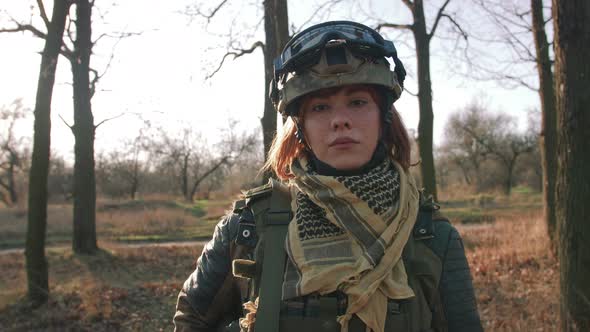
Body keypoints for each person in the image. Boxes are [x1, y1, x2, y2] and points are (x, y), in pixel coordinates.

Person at [173, 21, 482, 332]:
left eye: (358, 102)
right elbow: (191, 321)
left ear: (384, 116)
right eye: (320, 107)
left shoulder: (431, 235)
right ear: (301, 127)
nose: (340, 121)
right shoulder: (247, 228)